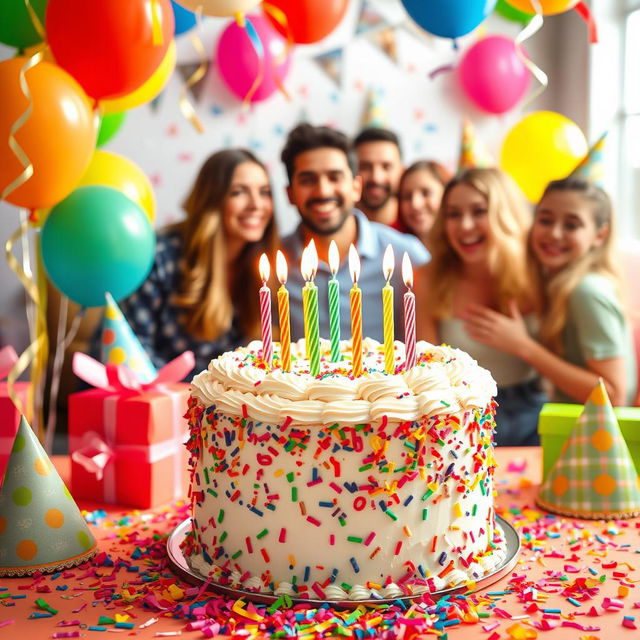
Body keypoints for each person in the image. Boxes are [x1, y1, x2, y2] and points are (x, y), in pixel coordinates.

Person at [464, 176, 637, 407]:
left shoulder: (587, 291)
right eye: (545, 220)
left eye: (572, 225)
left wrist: (523, 346)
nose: (555, 233)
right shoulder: (555, 285)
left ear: (600, 235)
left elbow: (614, 394)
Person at [105, 148, 278, 377]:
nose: (257, 204)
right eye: (238, 192)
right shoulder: (159, 257)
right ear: (212, 200)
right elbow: (132, 354)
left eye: (264, 192)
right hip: (151, 400)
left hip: (215, 404)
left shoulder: (261, 267)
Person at [422, 167, 544, 446]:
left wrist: (521, 345)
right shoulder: (429, 279)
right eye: (454, 214)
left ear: (504, 214)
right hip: (460, 417)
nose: (465, 225)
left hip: (532, 416)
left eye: (479, 211)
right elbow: (428, 371)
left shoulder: (537, 273)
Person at [280, 123, 430, 344]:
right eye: (307, 180)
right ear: (290, 194)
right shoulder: (276, 262)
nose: (323, 191)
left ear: (356, 187)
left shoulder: (405, 254)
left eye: (335, 177)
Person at [352, 127, 404, 226]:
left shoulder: (418, 227)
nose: (376, 178)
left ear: (401, 171)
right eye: (365, 167)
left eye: (386, 167)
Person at [397, 160, 452, 248]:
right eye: (407, 196)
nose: (415, 204)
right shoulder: (393, 250)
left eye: (426, 193)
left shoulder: (465, 254)